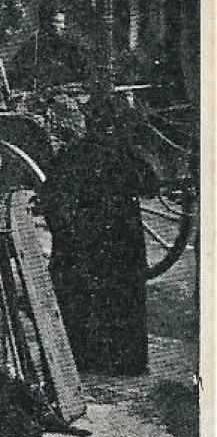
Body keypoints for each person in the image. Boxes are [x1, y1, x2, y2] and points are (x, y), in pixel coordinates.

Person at [44, 92, 156, 375]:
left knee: (83, 297)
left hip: (86, 241)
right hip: (121, 241)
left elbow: (51, 196)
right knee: (120, 298)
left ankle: (83, 358)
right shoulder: (124, 153)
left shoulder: (73, 155)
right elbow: (151, 184)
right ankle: (125, 362)